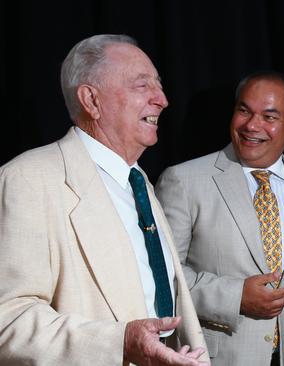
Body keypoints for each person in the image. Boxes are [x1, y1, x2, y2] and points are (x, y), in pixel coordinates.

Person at [0, 35, 208, 365]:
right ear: (91, 100)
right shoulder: (28, 179)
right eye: (143, 86)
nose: (163, 100)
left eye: (159, 85)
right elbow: (9, 320)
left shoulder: (139, 183)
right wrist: (121, 343)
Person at [155, 71, 284, 365]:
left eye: (270, 117)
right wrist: (235, 296)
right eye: (244, 110)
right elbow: (161, 279)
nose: (252, 125)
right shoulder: (184, 181)